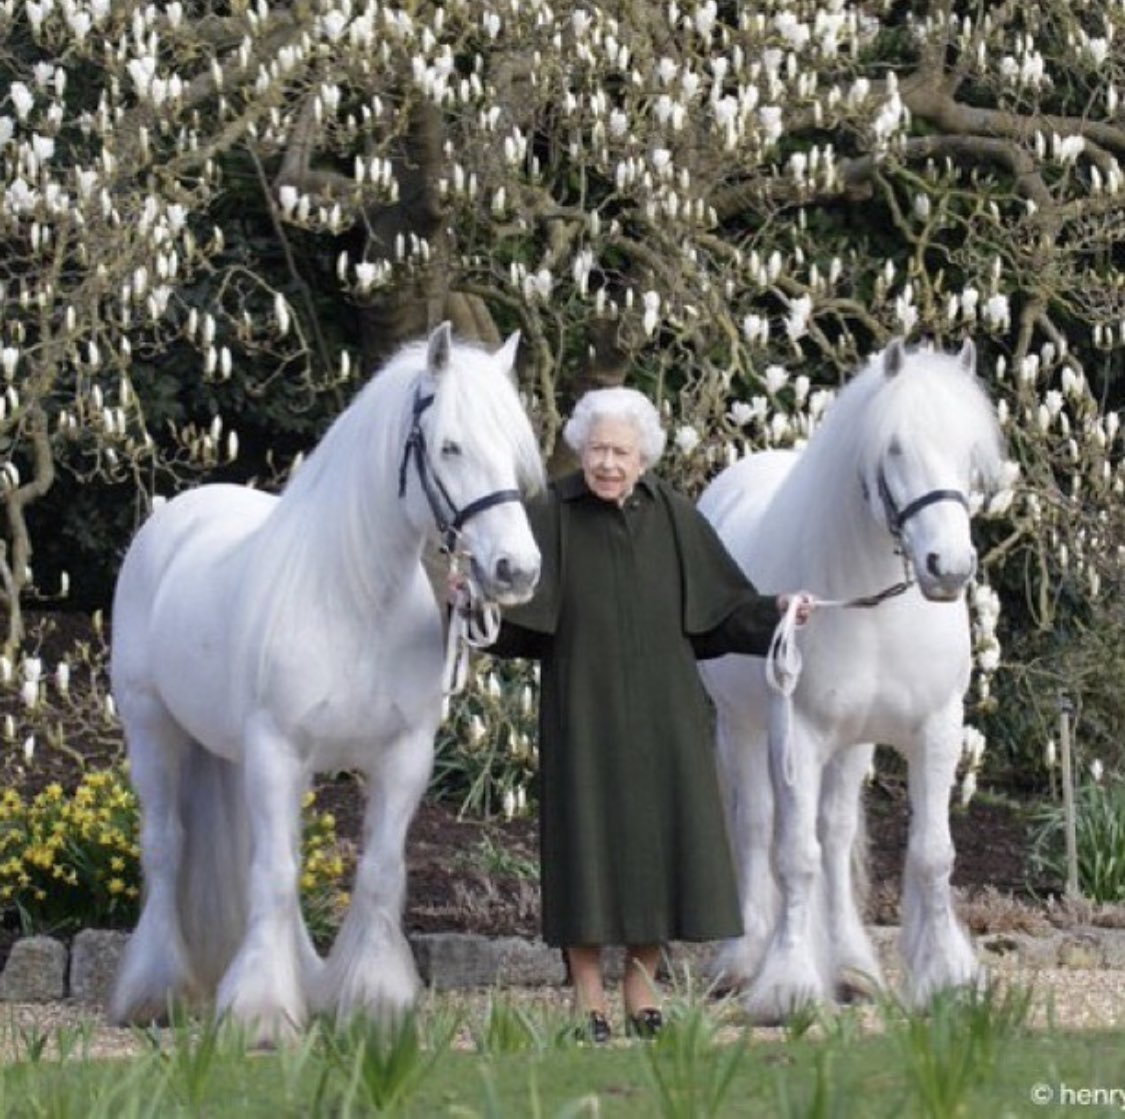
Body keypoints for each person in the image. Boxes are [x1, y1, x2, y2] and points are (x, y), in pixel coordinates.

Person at [475, 386, 813, 1043]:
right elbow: (517, 625)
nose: (607, 463)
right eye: (597, 448)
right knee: (585, 851)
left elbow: (721, 612)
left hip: (666, 717)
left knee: (662, 849)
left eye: (620, 452)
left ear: (643, 457)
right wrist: (476, 607)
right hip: (582, 710)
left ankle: (641, 986)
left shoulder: (675, 516)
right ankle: (587, 998)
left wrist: (778, 610)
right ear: (580, 448)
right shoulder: (548, 513)